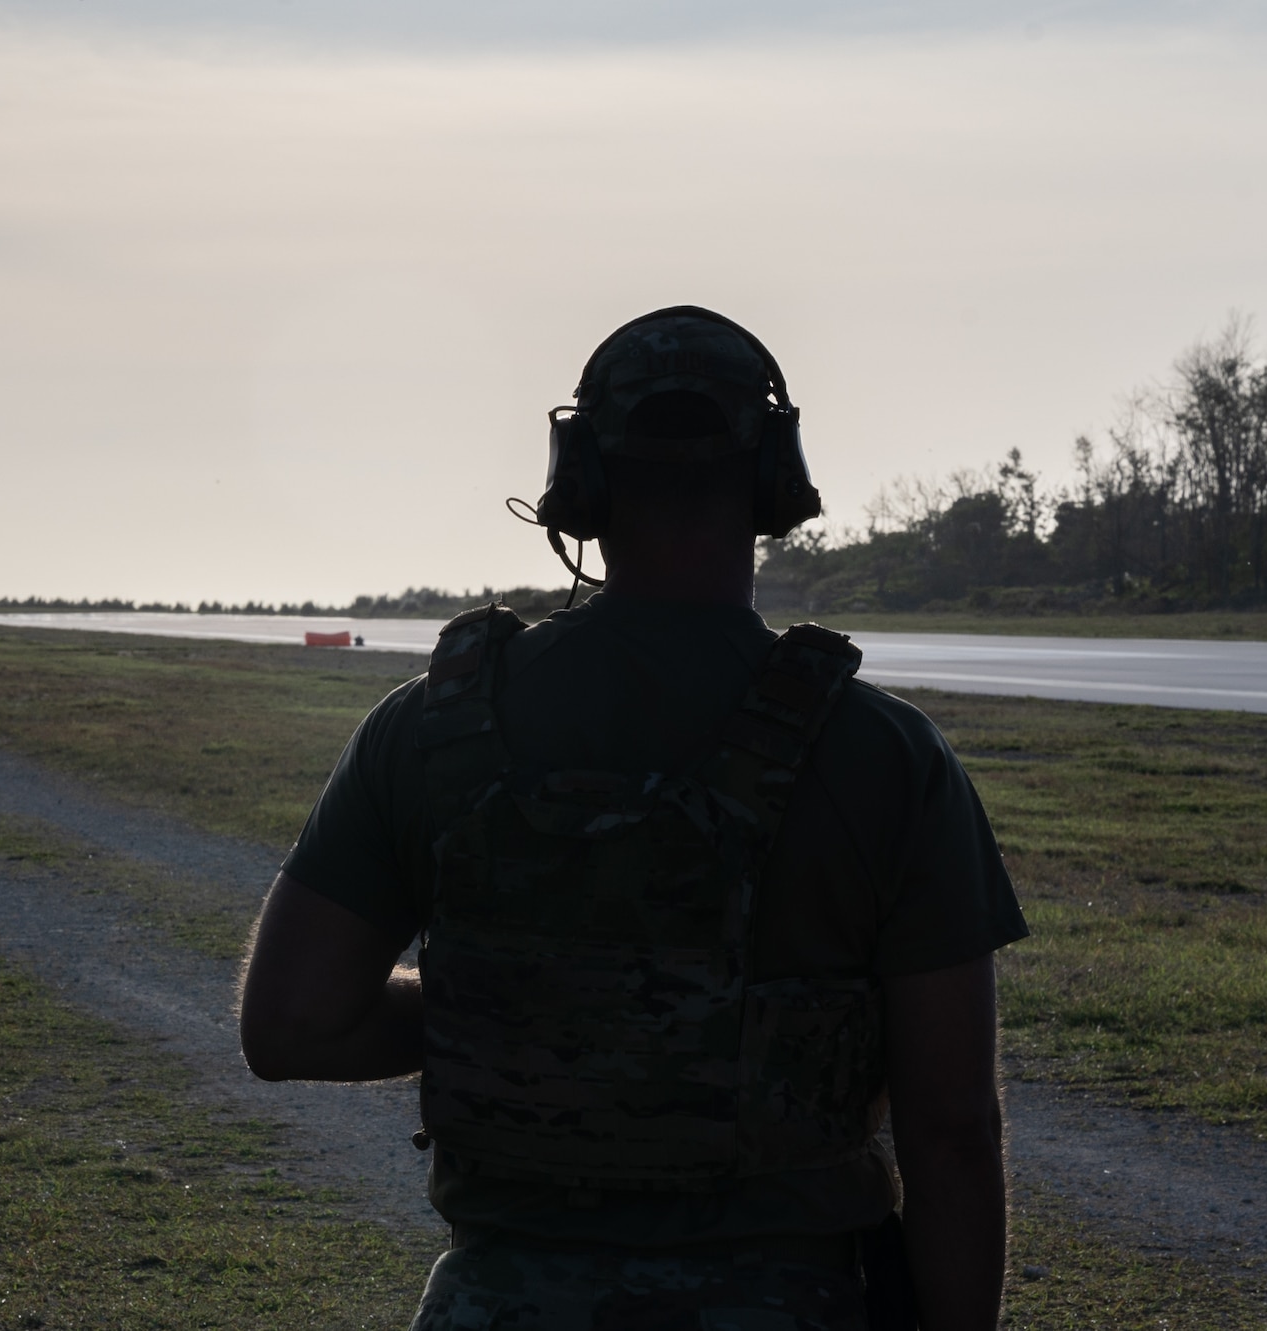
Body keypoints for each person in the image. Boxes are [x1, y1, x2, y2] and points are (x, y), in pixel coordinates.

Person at [240, 307, 1028, 1331]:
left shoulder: (431, 728)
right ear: (775, 478)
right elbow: (951, 1128)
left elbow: (291, 1020)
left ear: (580, 481)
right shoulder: (884, 753)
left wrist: (525, 1011)